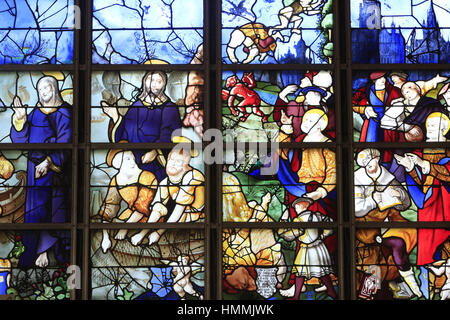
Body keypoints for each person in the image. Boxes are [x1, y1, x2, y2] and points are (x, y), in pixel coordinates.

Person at [10, 76, 72, 268]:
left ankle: (56, 260)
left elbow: (67, 142)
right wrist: (21, 119)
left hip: (56, 175)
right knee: (35, 213)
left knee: (55, 212)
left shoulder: (65, 112)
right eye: (40, 90)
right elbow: (23, 141)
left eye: (46, 88)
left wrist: (48, 161)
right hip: (34, 174)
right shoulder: (37, 112)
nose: (43, 93)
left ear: (55, 89)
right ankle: (36, 255)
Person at [354, 148, 422, 298]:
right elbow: (356, 209)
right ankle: (369, 294)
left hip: (388, 222)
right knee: (374, 260)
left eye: (370, 164)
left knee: (402, 241)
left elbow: (405, 203)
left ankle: (409, 283)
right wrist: (373, 201)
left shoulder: (386, 175)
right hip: (366, 228)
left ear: (377, 160)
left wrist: (399, 195)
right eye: (365, 165)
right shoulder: (357, 178)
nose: (368, 168)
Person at [102, 71, 181, 181]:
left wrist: (155, 151)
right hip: (133, 162)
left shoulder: (169, 108)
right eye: (151, 80)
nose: (154, 84)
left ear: (164, 85)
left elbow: (170, 134)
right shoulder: (136, 106)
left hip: (157, 163)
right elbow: (125, 136)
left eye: (159, 81)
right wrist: (115, 116)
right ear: (144, 82)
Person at [395, 112, 450, 267]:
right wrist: (411, 168)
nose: (429, 129)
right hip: (428, 204)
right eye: (428, 126)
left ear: (444, 128)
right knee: (428, 243)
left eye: (433, 125)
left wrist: (424, 164)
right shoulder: (424, 150)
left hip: (445, 202)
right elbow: (423, 181)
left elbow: (447, 172)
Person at [131, 146, 205, 246]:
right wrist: (142, 234)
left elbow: (180, 209)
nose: (173, 163)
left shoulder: (192, 177)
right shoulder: (166, 182)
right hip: (175, 216)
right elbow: (157, 208)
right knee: (158, 207)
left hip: (196, 216)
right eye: (171, 159)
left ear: (185, 164)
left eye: (178, 161)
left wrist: (158, 233)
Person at [98, 148, 158, 253]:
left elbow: (142, 206)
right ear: (117, 163)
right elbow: (110, 206)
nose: (133, 162)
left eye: (132, 157)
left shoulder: (147, 177)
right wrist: (105, 237)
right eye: (128, 159)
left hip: (149, 218)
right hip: (128, 216)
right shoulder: (116, 180)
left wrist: (124, 228)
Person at [278, 198, 336, 299]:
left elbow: (288, 236)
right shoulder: (317, 216)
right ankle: (331, 292)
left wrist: (283, 221)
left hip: (307, 249)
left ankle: (296, 297)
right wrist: (322, 236)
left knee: (300, 273)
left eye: (296, 207)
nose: (295, 209)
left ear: (301, 206)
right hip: (319, 248)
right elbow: (330, 224)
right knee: (323, 272)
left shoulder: (299, 220)